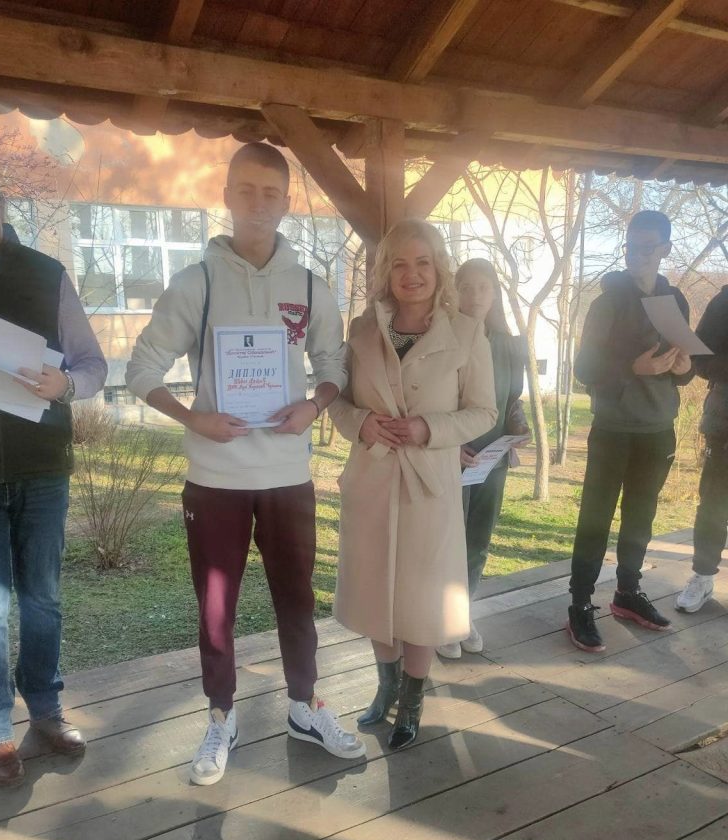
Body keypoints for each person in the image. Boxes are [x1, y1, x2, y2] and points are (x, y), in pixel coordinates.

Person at [126, 142, 364, 786]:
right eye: (247, 190)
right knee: (216, 609)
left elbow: (334, 365)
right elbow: (142, 368)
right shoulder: (196, 283)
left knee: (297, 600)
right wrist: (192, 417)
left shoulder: (310, 286)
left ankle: (304, 707)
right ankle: (221, 716)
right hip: (217, 478)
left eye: (271, 193)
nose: (259, 203)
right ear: (227, 195)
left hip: (288, 474)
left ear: (287, 202)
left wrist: (314, 405)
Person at [0, 153, 108, 787]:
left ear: (1, 208)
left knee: (42, 600)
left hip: (43, 466)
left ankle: (45, 712)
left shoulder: (47, 274)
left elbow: (93, 365)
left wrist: (65, 385)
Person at [329, 219, 496, 749]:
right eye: (399, 263)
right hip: (372, 480)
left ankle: (413, 700)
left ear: (439, 268)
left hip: (431, 486)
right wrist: (360, 422)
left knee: (422, 597)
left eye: (423, 262)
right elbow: (336, 400)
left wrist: (429, 428)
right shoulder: (361, 331)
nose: (412, 274)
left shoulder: (466, 331)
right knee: (376, 590)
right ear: (386, 271)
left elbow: (484, 411)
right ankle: (385, 687)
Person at [567, 209, 693, 653]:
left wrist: (684, 367)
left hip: (658, 428)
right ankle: (580, 603)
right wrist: (631, 368)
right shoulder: (607, 303)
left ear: (665, 250)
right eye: (630, 247)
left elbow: (683, 371)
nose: (636, 255)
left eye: (646, 248)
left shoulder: (675, 301)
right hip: (614, 428)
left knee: (640, 518)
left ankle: (627, 593)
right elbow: (584, 369)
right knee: (595, 519)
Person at [436, 258, 529, 660]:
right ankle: (442, 620)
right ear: (453, 292)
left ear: (496, 295)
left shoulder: (509, 345)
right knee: (448, 540)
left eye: (484, 287)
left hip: (492, 458)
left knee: (477, 541)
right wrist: (448, 445)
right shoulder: (441, 338)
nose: (475, 296)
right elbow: (433, 400)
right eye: (466, 287)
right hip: (451, 455)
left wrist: (519, 424)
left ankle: (464, 614)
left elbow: (512, 400)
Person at [675, 288, 728, 612]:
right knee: (714, 507)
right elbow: (699, 359)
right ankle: (703, 577)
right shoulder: (724, 302)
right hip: (725, 425)